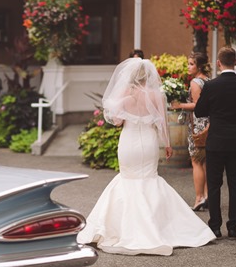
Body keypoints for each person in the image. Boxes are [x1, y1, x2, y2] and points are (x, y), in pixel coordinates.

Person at [77, 58, 215, 256]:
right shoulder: (157, 95)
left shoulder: (126, 93)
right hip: (149, 142)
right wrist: (167, 144)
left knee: (128, 179)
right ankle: (161, 227)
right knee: (149, 179)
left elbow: (116, 121)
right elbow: (162, 123)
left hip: (129, 142)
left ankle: (122, 228)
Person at [194, 47, 236, 239]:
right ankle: (233, 228)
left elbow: (199, 111)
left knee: (214, 184)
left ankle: (215, 226)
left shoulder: (211, 86)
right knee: (235, 183)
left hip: (215, 141)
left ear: (218, 63)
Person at [171, 52, 211, 211]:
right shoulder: (208, 80)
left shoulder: (195, 82)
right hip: (208, 123)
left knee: (196, 162)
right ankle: (208, 196)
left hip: (198, 125)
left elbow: (197, 105)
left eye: (191, 64)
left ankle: (199, 197)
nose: (188, 67)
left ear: (199, 66)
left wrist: (178, 105)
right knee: (206, 162)